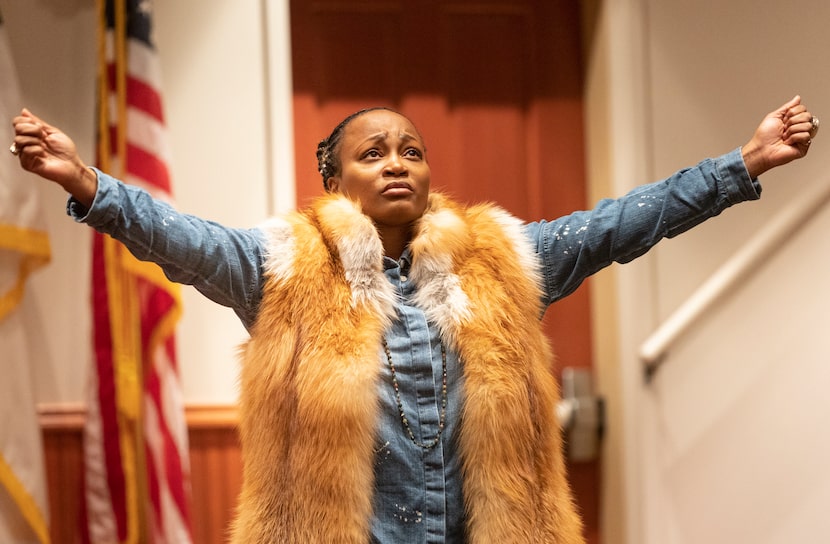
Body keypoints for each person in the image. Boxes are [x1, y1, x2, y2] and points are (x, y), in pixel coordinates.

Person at [10, 96, 819, 544]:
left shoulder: (503, 257)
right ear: (332, 177)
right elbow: (181, 243)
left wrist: (740, 166)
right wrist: (88, 183)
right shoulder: (283, 266)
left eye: (411, 149)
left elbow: (620, 223)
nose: (397, 161)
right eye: (373, 153)